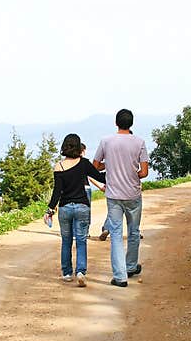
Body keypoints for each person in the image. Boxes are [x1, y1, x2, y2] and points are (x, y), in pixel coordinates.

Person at [93, 109, 149, 287]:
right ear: (131, 123)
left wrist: (109, 166)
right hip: (133, 194)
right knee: (133, 231)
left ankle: (120, 277)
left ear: (116, 123)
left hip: (114, 194)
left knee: (116, 235)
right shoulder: (139, 142)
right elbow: (144, 172)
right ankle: (131, 266)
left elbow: (95, 166)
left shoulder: (106, 141)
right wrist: (131, 173)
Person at [45, 134, 106, 287]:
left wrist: (50, 209)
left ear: (65, 147)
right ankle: (80, 272)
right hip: (82, 206)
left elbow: (56, 192)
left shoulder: (59, 166)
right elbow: (100, 177)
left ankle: (66, 273)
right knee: (81, 241)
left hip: (65, 208)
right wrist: (117, 170)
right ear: (79, 147)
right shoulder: (84, 163)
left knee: (66, 241)